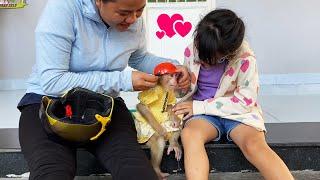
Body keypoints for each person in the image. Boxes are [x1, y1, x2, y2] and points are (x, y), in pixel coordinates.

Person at [17, 0, 189, 179]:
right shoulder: (63, 9)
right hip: (50, 104)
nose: (132, 19)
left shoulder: (132, 17)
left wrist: (171, 67)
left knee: (136, 171)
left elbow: (138, 57)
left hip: (104, 106)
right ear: (98, 1)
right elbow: (53, 81)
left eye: (139, 11)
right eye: (123, 13)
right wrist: (123, 80)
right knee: (52, 172)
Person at [172, 9, 294, 180]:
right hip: (203, 115)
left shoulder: (245, 58)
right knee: (190, 135)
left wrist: (199, 106)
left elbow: (245, 101)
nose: (203, 61)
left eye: (210, 59)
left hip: (238, 113)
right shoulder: (193, 49)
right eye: (201, 51)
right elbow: (184, 92)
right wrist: (179, 84)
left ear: (229, 52)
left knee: (254, 144)